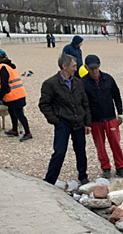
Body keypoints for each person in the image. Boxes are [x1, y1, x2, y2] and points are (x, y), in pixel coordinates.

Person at [39, 54, 91, 185]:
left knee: (81, 151)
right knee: (59, 152)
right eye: (74, 66)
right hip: (63, 123)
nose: (76, 68)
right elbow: (44, 104)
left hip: (79, 122)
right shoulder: (50, 84)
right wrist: (55, 120)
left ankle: (83, 176)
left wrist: (87, 123)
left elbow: (85, 103)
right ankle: (50, 180)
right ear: (64, 66)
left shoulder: (78, 83)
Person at [82, 54, 123, 180]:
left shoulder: (108, 78)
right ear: (86, 68)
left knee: (115, 143)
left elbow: (116, 95)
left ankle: (120, 167)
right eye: (91, 69)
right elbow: (83, 103)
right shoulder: (83, 82)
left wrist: (120, 112)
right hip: (95, 120)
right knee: (100, 146)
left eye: (96, 68)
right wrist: (87, 122)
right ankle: (106, 168)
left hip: (110, 117)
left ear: (99, 66)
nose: (94, 71)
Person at [0, 48, 32, 142]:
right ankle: (14, 130)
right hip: (18, 93)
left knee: (20, 114)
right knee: (12, 111)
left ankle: (28, 132)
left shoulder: (2, 67)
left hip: (14, 95)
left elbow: (4, 84)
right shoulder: (10, 66)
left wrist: (0, 97)